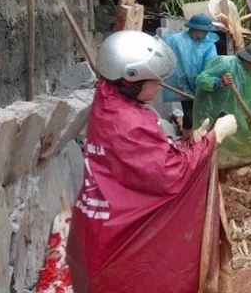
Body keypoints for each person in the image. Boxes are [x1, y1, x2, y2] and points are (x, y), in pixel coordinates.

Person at [67, 30, 238, 292]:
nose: (159, 84)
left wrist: (187, 143)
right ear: (131, 80)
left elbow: (145, 161)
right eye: (154, 80)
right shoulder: (128, 122)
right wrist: (215, 137)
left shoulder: (110, 103)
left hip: (101, 225)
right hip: (118, 239)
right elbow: (171, 173)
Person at [195, 43, 251, 168]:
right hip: (215, 109)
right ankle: (218, 164)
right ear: (247, 59)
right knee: (218, 136)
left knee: (248, 132)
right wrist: (219, 82)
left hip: (237, 110)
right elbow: (201, 79)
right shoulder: (226, 63)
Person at [162, 13, 219, 135]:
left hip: (201, 84)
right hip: (182, 84)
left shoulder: (209, 43)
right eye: (202, 31)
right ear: (194, 28)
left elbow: (211, 65)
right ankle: (186, 140)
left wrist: (206, 82)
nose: (205, 34)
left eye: (206, 31)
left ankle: (200, 141)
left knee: (204, 115)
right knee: (188, 115)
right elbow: (165, 53)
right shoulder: (176, 40)